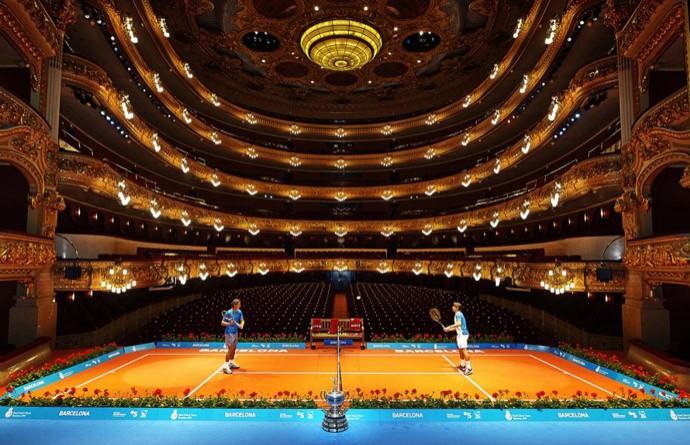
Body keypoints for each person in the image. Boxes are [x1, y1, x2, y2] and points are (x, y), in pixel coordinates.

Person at [444, 302, 473, 375]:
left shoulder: (458, 314)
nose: (452, 307)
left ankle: (469, 368)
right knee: (460, 350)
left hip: (463, 334)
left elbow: (459, 324)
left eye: (453, 306)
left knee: (463, 350)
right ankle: (462, 365)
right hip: (460, 334)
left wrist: (449, 326)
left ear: (457, 308)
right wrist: (448, 330)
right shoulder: (457, 314)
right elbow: (457, 327)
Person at [221, 298, 245, 374]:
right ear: (235, 305)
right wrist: (229, 324)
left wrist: (241, 324)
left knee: (234, 348)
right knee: (230, 349)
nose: (240, 305)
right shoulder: (228, 313)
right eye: (239, 304)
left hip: (235, 333)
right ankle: (225, 366)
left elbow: (242, 320)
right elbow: (222, 323)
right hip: (229, 333)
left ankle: (231, 362)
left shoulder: (239, 312)